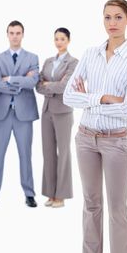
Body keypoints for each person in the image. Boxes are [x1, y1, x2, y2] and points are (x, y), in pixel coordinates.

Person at [63, 0, 127, 253]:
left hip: (116, 143)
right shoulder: (89, 54)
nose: (113, 22)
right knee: (90, 207)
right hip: (85, 139)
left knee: (117, 209)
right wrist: (106, 97)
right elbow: (70, 95)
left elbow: (126, 110)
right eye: (108, 17)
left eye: (118, 17)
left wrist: (93, 98)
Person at [0, 20, 39, 208]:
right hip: (2, 112)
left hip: (24, 113)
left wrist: (10, 79)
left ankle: (29, 194)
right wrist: (21, 82)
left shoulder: (32, 57)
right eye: (12, 33)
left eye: (18, 33)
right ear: (7, 34)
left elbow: (32, 82)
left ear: (23, 35)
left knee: (26, 154)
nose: (15, 36)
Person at [36, 28, 78, 208]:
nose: (59, 42)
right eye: (56, 39)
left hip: (63, 111)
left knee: (63, 152)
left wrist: (48, 85)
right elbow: (38, 86)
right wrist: (50, 85)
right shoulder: (47, 61)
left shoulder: (73, 62)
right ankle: (51, 193)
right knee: (48, 152)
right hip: (46, 111)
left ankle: (61, 195)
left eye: (62, 39)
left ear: (68, 40)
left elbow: (64, 87)